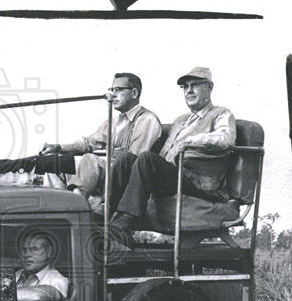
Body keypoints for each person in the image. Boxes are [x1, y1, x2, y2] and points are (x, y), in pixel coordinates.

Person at [109, 66, 236, 244]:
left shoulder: (221, 113)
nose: (189, 91)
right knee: (126, 159)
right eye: (185, 87)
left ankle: (126, 222)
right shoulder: (180, 120)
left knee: (146, 159)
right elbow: (164, 154)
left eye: (195, 85)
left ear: (210, 87)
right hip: (175, 178)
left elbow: (226, 138)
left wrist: (189, 141)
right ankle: (106, 219)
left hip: (197, 182)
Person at [40, 72, 160, 212]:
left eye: (119, 89)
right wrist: (58, 147)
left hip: (124, 179)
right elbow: (89, 143)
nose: (113, 94)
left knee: (91, 160)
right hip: (107, 175)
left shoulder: (147, 119)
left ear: (134, 93)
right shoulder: (113, 122)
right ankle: (51, 212)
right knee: (54, 164)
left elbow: (133, 160)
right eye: (112, 90)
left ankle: (74, 206)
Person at [14, 229, 69, 301]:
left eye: (35, 249)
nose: (27, 254)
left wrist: (3, 293)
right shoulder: (15, 275)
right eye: (24, 250)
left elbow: (36, 297)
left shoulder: (58, 280)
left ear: (49, 252)